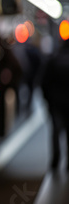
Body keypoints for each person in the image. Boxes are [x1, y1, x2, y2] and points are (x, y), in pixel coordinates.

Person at [41, 38, 69, 171]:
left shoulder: (53, 60)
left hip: (56, 104)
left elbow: (43, 82)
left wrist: (48, 100)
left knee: (55, 132)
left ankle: (55, 160)